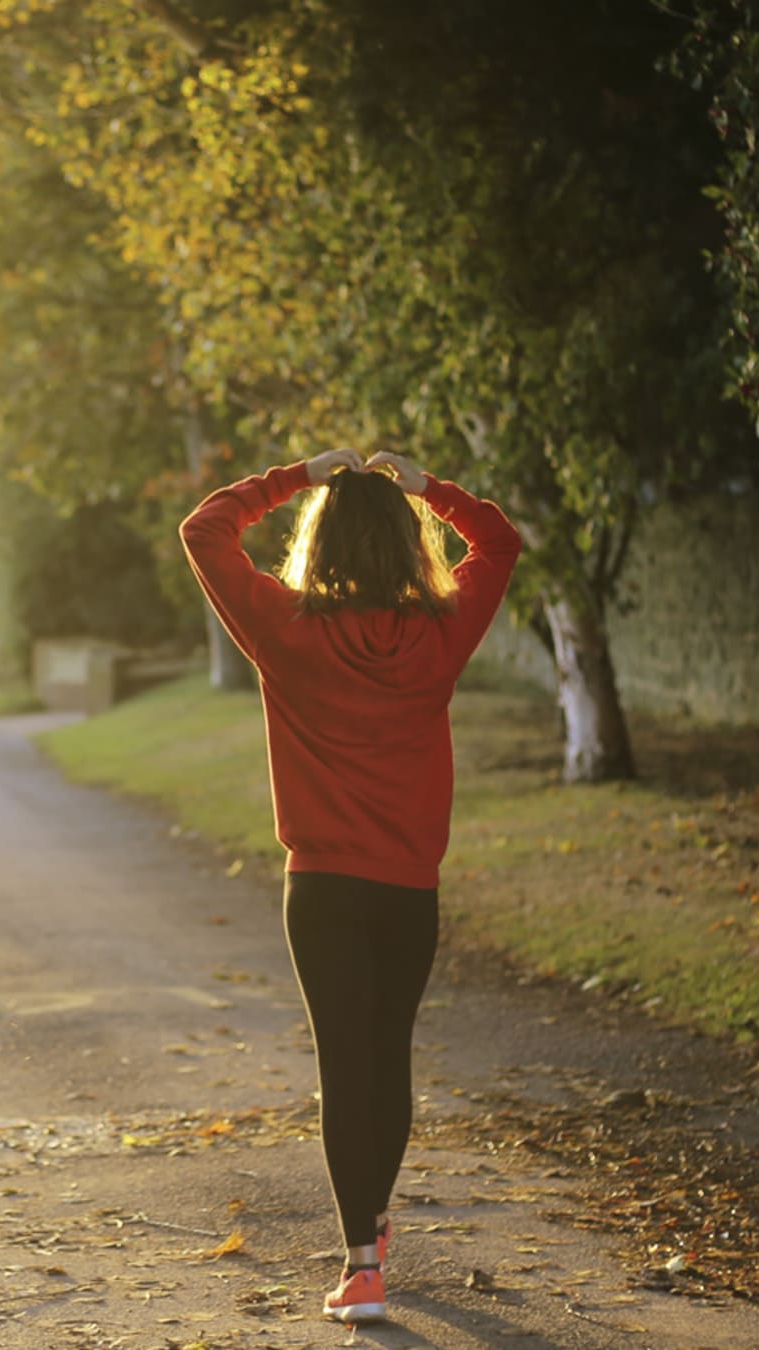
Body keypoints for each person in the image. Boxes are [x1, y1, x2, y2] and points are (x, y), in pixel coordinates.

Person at [178, 446, 522, 1325]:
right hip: (408, 887)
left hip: (322, 887)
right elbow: (500, 541)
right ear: (408, 544)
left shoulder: (284, 627)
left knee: (344, 1065)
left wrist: (297, 476)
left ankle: (362, 1265)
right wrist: (429, 489)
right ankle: (370, 1230)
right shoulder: (441, 631)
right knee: (387, 1056)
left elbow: (205, 530)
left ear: (320, 542)